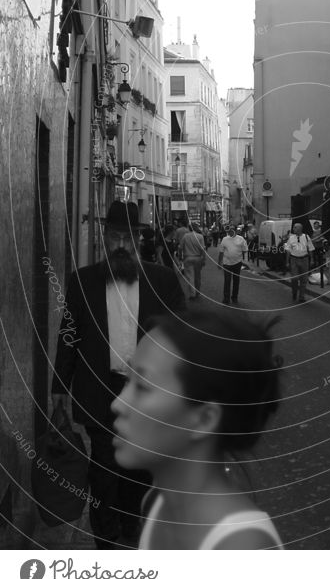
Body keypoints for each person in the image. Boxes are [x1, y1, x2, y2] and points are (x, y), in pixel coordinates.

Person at [50, 201, 186, 549]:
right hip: (100, 391)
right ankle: (108, 547)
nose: (122, 245)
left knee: (138, 475)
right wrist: (60, 388)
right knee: (104, 473)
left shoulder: (163, 281)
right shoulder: (83, 281)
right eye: (115, 237)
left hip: (146, 396)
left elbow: (181, 338)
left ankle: (133, 537)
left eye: (128, 237)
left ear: (139, 239)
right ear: (104, 238)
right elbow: (70, 335)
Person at [111, 306, 283, 549]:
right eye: (127, 380)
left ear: (204, 419)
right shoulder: (156, 501)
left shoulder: (241, 547)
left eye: (143, 386)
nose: (117, 403)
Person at [284, 223, 315, 303]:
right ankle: (294, 292)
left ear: (300, 229)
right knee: (294, 278)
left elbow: (310, 248)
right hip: (294, 259)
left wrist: (312, 260)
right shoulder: (291, 238)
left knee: (304, 279)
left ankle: (301, 296)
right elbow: (288, 250)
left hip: (304, 259)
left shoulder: (306, 237)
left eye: (295, 227)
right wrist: (287, 262)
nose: (293, 229)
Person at [217, 225, 248, 305]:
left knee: (236, 281)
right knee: (227, 281)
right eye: (229, 230)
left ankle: (234, 297)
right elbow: (221, 252)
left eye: (232, 230)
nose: (230, 231)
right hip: (227, 263)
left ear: (235, 230)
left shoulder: (241, 239)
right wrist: (219, 262)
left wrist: (238, 254)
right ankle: (226, 299)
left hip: (237, 263)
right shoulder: (225, 239)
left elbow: (245, 250)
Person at [180, 222, 206, 300]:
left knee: (190, 277)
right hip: (198, 258)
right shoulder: (200, 236)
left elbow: (180, 247)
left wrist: (180, 256)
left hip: (188, 257)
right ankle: (197, 292)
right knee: (198, 276)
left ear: (189, 228)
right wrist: (204, 259)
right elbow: (202, 249)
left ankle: (192, 294)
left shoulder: (185, 236)